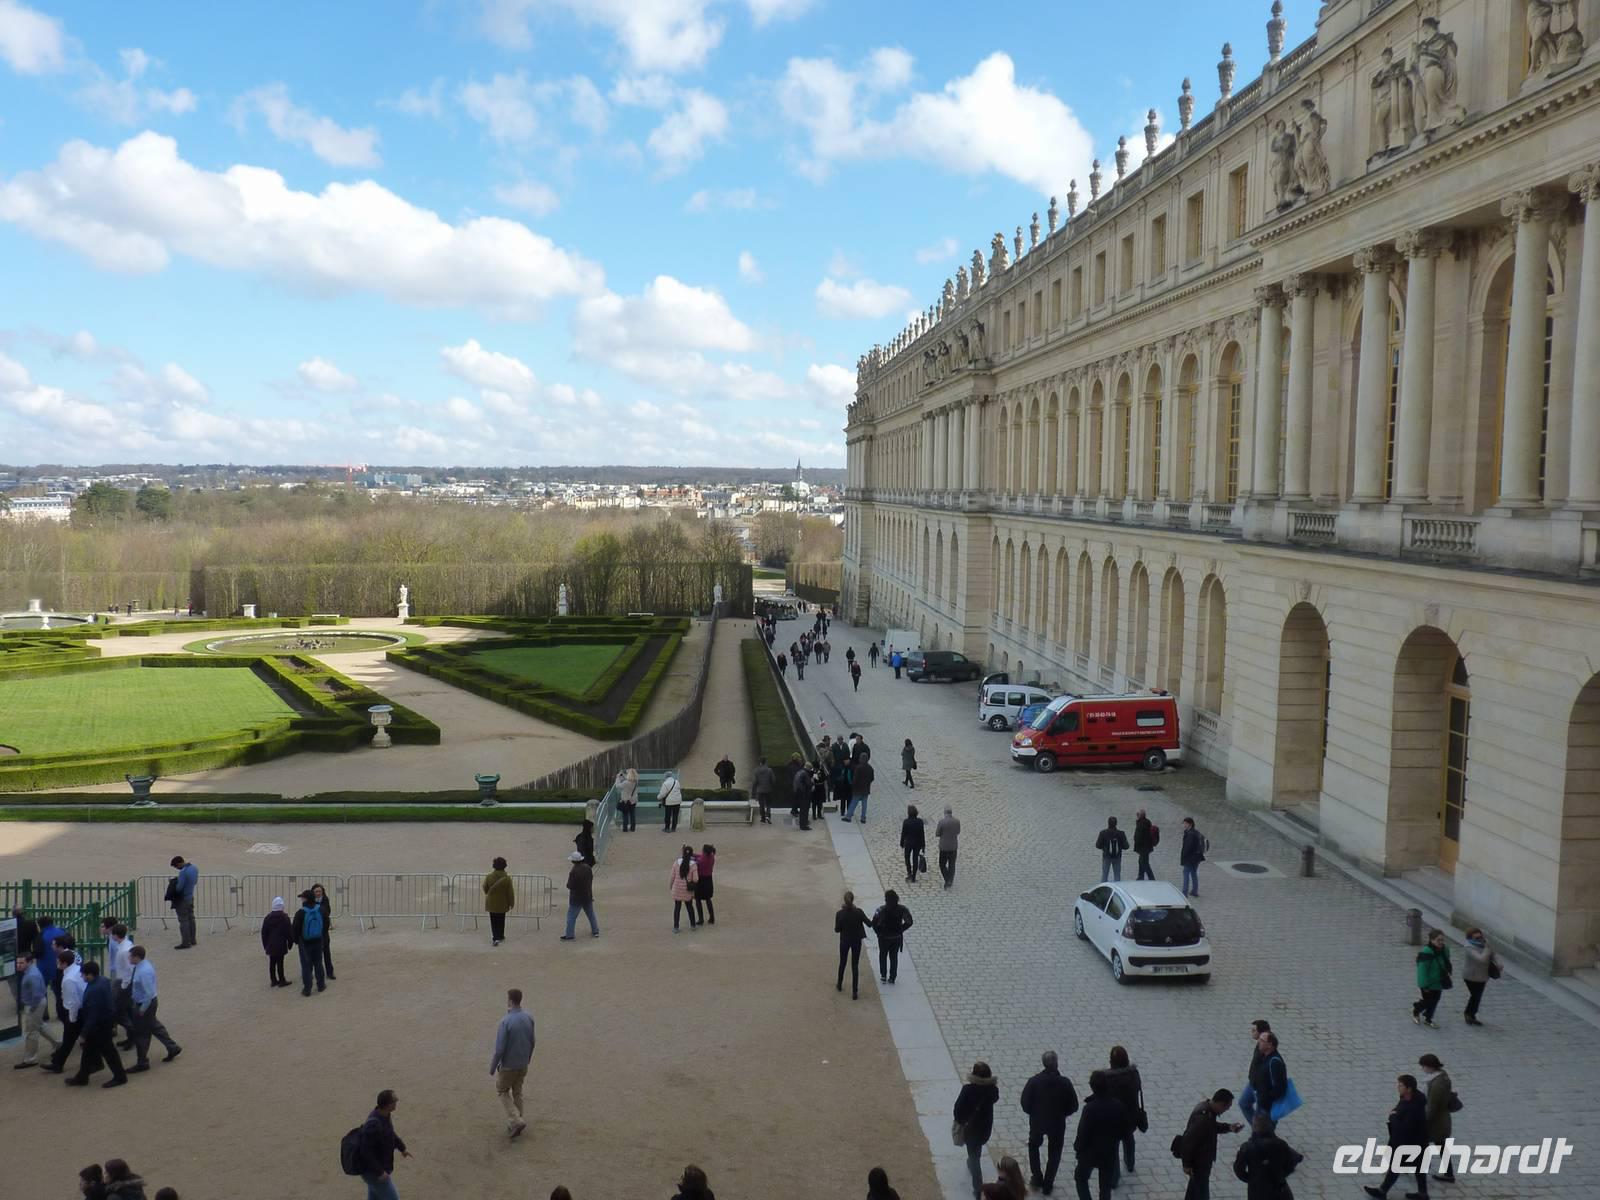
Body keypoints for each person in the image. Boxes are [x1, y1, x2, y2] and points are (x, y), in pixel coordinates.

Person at [1020, 1050, 1078, 1195]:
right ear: (1057, 1064)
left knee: (1033, 1145)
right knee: (1055, 1152)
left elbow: (1025, 1103)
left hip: (1037, 1122)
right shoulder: (1065, 1083)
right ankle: (1048, 1183)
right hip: (1057, 1123)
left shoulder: (1034, 1081)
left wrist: (1033, 1113)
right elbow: (1074, 1106)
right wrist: (1063, 1114)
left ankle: (1037, 1176)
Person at [1363, 1075, 1429, 1199]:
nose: (1397, 1087)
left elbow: (1402, 1126)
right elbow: (1399, 1108)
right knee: (1418, 1167)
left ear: (1409, 1088)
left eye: (1400, 1085)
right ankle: (1423, 1194)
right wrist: (1395, 1113)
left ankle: (1382, 1192)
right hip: (1414, 1140)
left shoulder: (1414, 1107)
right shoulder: (1409, 1097)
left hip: (1410, 1142)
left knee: (1398, 1165)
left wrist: (1393, 1116)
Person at [67, 961, 127, 1088]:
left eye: (83, 974)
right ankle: (82, 1076)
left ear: (89, 975)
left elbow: (93, 1015)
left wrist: (83, 1034)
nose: (82, 977)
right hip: (105, 1022)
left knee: (108, 1052)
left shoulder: (94, 990)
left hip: (99, 1026)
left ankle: (120, 1076)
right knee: (88, 1051)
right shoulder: (103, 981)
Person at [1072, 1070, 1129, 1200]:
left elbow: (1083, 1133)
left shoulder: (1090, 1109)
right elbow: (1125, 1132)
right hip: (1109, 1153)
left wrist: (1077, 1147)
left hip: (1089, 1153)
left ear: (1092, 1087)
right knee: (1105, 1187)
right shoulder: (1118, 1106)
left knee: (1081, 1178)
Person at [1179, 1088, 1242, 1200]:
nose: (1225, 1111)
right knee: (1201, 1191)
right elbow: (1189, 1142)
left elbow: (1212, 1126)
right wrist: (1186, 1164)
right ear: (1220, 1104)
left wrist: (1229, 1127)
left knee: (1195, 1190)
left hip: (1202, 1160)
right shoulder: (1203, 1119)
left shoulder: (1207, 1111)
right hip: (1199, 1162)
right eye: (1226, 1108)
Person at [490, 988, 535, 1139]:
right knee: (517, 1091)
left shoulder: (505, 1021)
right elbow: (532, 1041)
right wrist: (527, 1059)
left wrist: (493, 1067)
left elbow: (499, 1049)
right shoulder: (529, 1018)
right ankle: (517, 1120)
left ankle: (516, 1120)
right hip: (523, 1063)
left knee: (502, 1090)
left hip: (509, 1065)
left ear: (509, 1001)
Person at [127, 946, 180, 1067]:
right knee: (154, 1026)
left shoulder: (143, 971)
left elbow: (149, 993)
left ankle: (142, 1062)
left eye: (130, 957)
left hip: (145, 1004)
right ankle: (172, 1047)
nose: (129, 958)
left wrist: (142, 1009)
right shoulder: (144, 966)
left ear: (136, 957)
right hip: (147, 1003)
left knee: (142, 1034)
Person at [954, 1062, 1001, 1198]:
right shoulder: (993, 1090)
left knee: (974, 1158)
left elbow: (958, 1110)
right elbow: (995, 1099)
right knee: (976, 1148)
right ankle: (971, 1161)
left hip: (971, 1129)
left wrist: (960, 1121)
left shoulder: (968, 1090)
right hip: (985, 1129)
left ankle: (978, 1188)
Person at [353, 1089, 411, 1200]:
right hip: (373, 1172)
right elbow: (365, 1151)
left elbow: (390, 1134)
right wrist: (379, 1172)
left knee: (374, 1196)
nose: (397, 1101)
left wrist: (402, 1148)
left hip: (376, 1170)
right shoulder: (373, 1125)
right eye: (395, 1100)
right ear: (388, 1105)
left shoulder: (384, 1115)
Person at [1231, 1113, 1304, 1200]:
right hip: (1278, 1187)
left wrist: (1251, 1179)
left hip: (1257, 1191)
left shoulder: (1247, 1147)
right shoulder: (1281, 1144)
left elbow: (1239, 1169)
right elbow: (1290, 1163)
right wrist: (1281, 1175)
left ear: (1254, 1127)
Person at [1103, 1046, 1145, 1186]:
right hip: (1130, 1116)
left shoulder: (1107, 1078)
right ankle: (1130, 1163)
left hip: (1112, 1120)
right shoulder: (1134, 1074)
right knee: (1129, 1139)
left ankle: (1114, 1178)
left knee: (1113, 1148)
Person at [13, 950, 59, 1068]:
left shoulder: (31, 975)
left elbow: (37, 995)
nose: (18, 965)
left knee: (31, 1032)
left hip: (34, 1004)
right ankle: (59, 1044)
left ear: (29, 962)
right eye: (17, 963)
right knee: (40, 1026)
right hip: (37, 1003)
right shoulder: (31, 971)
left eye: (21, 963)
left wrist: (32, 1009)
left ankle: (30, 1059)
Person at [1418, 1054, 1456, 1183]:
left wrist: (1422, 1122)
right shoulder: (1442, 1076)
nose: (1422, 1069)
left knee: (1421, 1143)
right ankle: (1449, 1173)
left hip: (1435, 1122)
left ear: (1430, 1066)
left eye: (1423, 1066)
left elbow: (1432, 1107)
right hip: (1441, 1120)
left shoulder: (1437, 1085)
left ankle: (1416, 1168)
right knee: (1441, 1146)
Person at [46, 948, 84, 1074]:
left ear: (64, 963)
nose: (57, 963)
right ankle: (57, 1063)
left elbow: (73, 1002)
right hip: (80, 1011)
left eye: (59, 961)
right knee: (69, 1040)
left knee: (69, 1039)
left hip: (75, 1013)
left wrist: (72, 1019)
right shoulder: (76, 970)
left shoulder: (68, 979)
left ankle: (58, 1064)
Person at [1248, 1031, 1289, 1131]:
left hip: (1267, 1107)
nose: (1258, 1042)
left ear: (1270, 1045)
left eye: (1262, 1040)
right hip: (1261, 1101)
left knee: (1264, 1132)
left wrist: (1266, 1099)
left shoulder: (1275, 1062)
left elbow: (1280, 1087)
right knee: (1258, 1131)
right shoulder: (1263, 1055)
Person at [834, 890, 872, 998]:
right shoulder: (859, 912)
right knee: (855, 965)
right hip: (856, 941)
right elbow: (869, 924)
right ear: (853, 899)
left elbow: (837, 930)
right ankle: (854, 992)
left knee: (842, 962)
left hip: (845, 941)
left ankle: (839, 984)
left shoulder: (840, 914)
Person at [1412, 928, 1452, 1029]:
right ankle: (1416, 1010)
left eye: (1442, 940)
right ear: (1432, 940)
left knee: (1435, 1001)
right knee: (1427, 1002)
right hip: (1428, 983)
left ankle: (1428, 1019)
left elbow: (1446, 961)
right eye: (1438, 940)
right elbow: (1422, 971)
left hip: (1439, 981)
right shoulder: (1426, 952)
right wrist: (1424, 985)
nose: (1441, 942)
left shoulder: (1444, 950)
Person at [871, 890, 913, 984]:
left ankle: (883, 975)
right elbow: (909, 922)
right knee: (894, 957)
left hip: (884, 937)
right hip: (896, 937)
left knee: (883, 955)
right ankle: (892, 977)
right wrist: (901, 929)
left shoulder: (881, 910)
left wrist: (878, 932)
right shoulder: (902, 909)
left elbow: (874, 922)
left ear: (886, 900)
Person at [1460, 927, 1499, 1025]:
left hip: (1483, 976)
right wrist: (1487, 948)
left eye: (1481, 937)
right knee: (1475, 996)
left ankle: (1471, 1015)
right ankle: (1468, 1014)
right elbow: (1481, 959)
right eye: (1477, 938)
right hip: (1471, 977)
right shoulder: (1469, 947)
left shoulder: (1485, 943)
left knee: (1477, 996)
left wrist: (1499, 962)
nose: (1480, 939)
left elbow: (1493, 954)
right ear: (1470, 939)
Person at [1237, 1019, 1272, 1125]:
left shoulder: (1267, 1050)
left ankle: (1262, 1130)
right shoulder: (1260, 1045)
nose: (1252, 1033)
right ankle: (1256, 1127)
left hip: (1261, 1088)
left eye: (1254, 1030)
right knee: (1243, 1103)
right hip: (1253, 1082)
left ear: (1262, 1033)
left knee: (1261, 1114)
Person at [293, 891, 327, 996]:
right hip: (318, 940)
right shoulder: (321, 909)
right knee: (318, 963)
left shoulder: (300, 912)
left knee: (306, 965)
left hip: (305, 942)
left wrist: (296, 940)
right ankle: (321, 985)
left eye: (302, 898)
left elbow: (295, 928)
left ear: (306, 899)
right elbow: (326, 923)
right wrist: (322, 934)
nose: (301, 899)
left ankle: (307, 989)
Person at [561, 851, 599, 940]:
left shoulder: (573, 872)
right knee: (591, 914)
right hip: (587, 895)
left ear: (573, 861)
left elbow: (570, 885)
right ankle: (595, 931)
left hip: (576, 898)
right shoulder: (587, 868)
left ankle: (569, 935)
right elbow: (591, 878)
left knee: (571, 917)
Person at [261, 897, 294, 988]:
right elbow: (289, 932)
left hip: (271, 944)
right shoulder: (285, 918)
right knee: (280, 963)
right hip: (281, 944)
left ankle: (273, 980)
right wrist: (290, 943)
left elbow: (264, 933)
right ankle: (282, 980)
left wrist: (265, 945)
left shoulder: (267, 918)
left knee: (272, 963)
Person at [483, 858, 515, 946]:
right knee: (501, 920)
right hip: (502, 903)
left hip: (491, 903)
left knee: (493, 921)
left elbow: (485, 888)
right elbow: (510, 892)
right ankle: (500, 936)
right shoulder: (507, 878)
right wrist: (511, 903)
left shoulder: (489, 877)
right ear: (504, 866)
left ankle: (495, 937)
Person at [169, 855, 199, 949]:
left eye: (176, 866)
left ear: (179, 863)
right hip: (190, 896)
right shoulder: (194, 868)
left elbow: (179, 888)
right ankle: (193, 939)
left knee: (183, 921)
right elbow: (195, 882)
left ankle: (186, 942)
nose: (177, 868)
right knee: (191, 918)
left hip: (182, 899)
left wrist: (173, 884)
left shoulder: (183, 872)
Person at [670, 845, 700, 932]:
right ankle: (693, 925)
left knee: (677, 908)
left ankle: (676, 927)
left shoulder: (676, 863)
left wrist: (671, 886)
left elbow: (672, 876)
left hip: (677, 888)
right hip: (687, 889)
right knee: (689, 907)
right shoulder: (693, 865)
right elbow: (696, 879)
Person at [311, 882, 337, 981]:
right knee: (313, 953)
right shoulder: (310, 901)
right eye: (316, 891)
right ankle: (310, 972)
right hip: (314, 931)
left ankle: (330, 972)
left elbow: (327, 912)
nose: (318, 893)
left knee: (326, 953)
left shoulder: (325, 900)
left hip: (323, 931)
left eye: (320, 891)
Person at [1095, 817, 1129, 882]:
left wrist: (1104, 847)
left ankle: (1103, 887)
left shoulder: (1103, 833)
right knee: (1117, 876)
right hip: (1117, 857)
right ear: (1116, 823)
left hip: (1106, 857)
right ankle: (1117, 887)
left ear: (1108, 823)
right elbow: (1126, 846)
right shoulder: (1121, 833)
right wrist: (1120, 846)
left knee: (1104, 875)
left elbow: (1097, 845)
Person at [936, 805, 962, 888]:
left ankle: (947, 879)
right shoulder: (957, 821)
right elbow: (958, 831)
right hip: (953, 846)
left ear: (945, 813)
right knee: (952, 864)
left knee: (942, 864)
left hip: (944, 847)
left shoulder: (941, 822)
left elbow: (937, 833)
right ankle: (951, 879)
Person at [1179, 818, 1205, 897]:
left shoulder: (1190, 834)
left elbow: (1187, 847)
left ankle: (1184, 893)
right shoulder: (1196, 832)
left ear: (1190, 824)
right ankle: (1194, 891)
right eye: (1184, 823)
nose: (1184, 825)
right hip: (1197, 857)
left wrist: (1184, 856)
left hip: (1190, 858)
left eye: (1185, 823)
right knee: (1193, 873)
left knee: (1186, 874)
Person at [845, 754, 875, 823]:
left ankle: (848, 817)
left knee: (853, 802)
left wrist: (853, 786)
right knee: (864, 804)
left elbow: (855, 779)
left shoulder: (858, 768)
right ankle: (863, 818)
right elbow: (872, 778)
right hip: (866, 788)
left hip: (858, 789)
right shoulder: (870, 768)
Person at [900, 805, 926, 882]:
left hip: (908, 843)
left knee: (907, 857)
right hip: (917, 843)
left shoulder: (906, 822)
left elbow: (903, 834)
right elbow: (922, 834)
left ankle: (909, 873)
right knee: (915, 859)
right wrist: (923, 845)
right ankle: (914, 876)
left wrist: (901, 843)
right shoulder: (920, 821)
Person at [693, 844, 717, 926]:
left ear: (705, 852)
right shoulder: (712, 857)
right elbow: (700, 856)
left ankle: (701, 919)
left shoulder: (701, 861)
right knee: (708, 899)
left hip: (700, 880)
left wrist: (690, 855)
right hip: (708, 880)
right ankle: (712, 917)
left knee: (698, 899)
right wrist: (693, 854)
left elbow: (697, 861)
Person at [1131, 808, 1157, 881]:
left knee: (1144, 863)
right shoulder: (1147, 821)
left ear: (1140, 815)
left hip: (1143, 847)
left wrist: (1137, 846)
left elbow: (1139, 836)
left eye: (1138, 814)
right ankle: (1140, 876)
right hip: (1147, 847)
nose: (1137, 816)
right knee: (1141, 861)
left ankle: (1151, 878)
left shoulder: (1141, 823)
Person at [751, 756, 776, 825]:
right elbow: (773, 780)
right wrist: (772, 786)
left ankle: (763, 818)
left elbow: (755, 782)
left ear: (760, 763)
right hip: (768, 789)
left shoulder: (756, 771)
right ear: (765, 762)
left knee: (761, 804)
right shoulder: (769, 770)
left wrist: (753, 792)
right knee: (768, 804)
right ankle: (768, 815)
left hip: (760, 790)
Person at [617, 767, 639, 832]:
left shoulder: (626, 783)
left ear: (629, 775)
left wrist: (618, 777)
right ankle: (633, 828)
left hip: (626, 801)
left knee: (625, 814)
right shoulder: (636, 782)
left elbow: (617, 786)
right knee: (632, 814)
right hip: (633, 800)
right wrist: (623, 775)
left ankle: (625, 828)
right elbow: (628, 778)